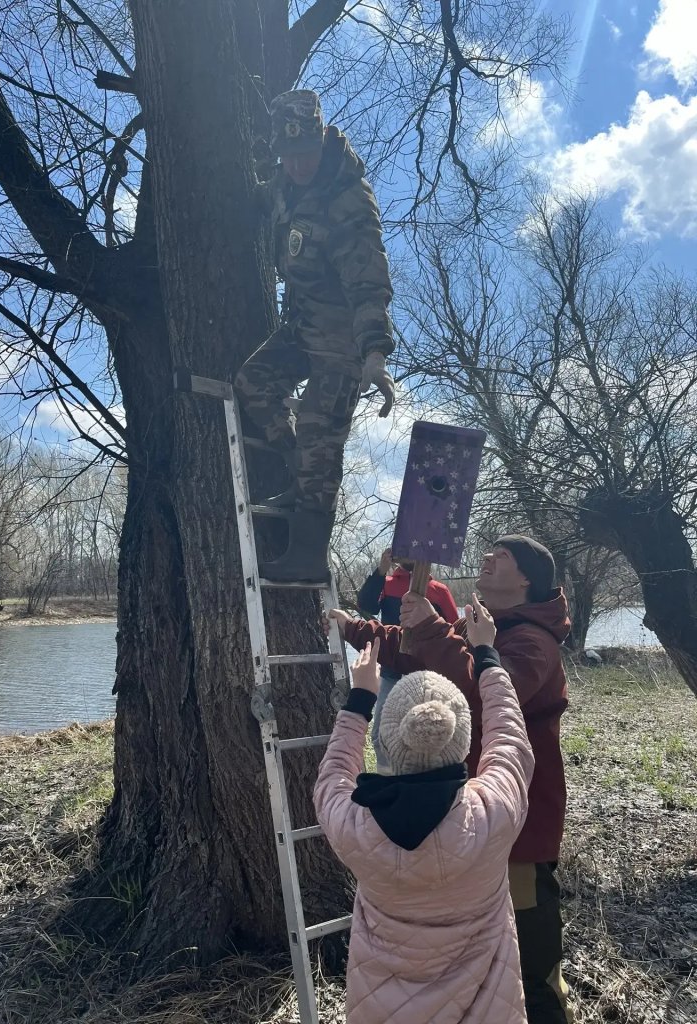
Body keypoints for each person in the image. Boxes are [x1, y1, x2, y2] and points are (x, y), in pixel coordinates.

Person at [328, 535, 573, 1024]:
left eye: (501, 556)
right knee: (481, 952)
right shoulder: (484, 623)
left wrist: (439, 631)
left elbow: (489, 695)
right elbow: (417, 650)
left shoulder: (532, 641)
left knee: (530, 957)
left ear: (526, 578)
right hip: (478, 809)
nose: (486, 558)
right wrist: (357, 629)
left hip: (520, 820)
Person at [235, 89, 395, 583]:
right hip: (302, 328)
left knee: (320, 435)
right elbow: (262, 196)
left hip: (343, 346)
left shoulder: (349, 200)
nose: (298, 164)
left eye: (305, 153)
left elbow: (369, 282)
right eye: (288, 156)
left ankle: (308, 559)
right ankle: (294, 470)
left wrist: (374, 353)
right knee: (252, 381)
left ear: (323, 141)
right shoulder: (286, 184)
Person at [357, 548, 458, 772]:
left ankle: (425, 783)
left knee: (430, 731)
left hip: (427, 676)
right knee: (381, 733)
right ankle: (389, 782)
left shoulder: (439, 591)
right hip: (392, 672)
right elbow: (365, 605)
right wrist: (381, 571)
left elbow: (454, 632)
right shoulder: (387, 583)